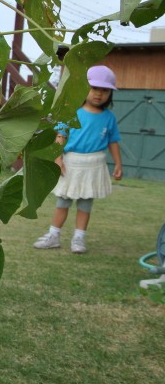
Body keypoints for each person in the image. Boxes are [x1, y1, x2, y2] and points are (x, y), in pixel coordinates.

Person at [33, 65, 123, 254]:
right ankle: (53, 236)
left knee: (85, 204)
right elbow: (60, 137)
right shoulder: (71, 112)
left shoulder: (109, 118)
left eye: (104, 90)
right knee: (63, 201)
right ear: (84, 88)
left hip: (95, 164)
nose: (99, 94)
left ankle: (79, 238)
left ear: (110, 94)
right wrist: (58, 159)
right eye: (94, 88)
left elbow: (113, 141)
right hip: (71, 163)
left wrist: (118, 164)